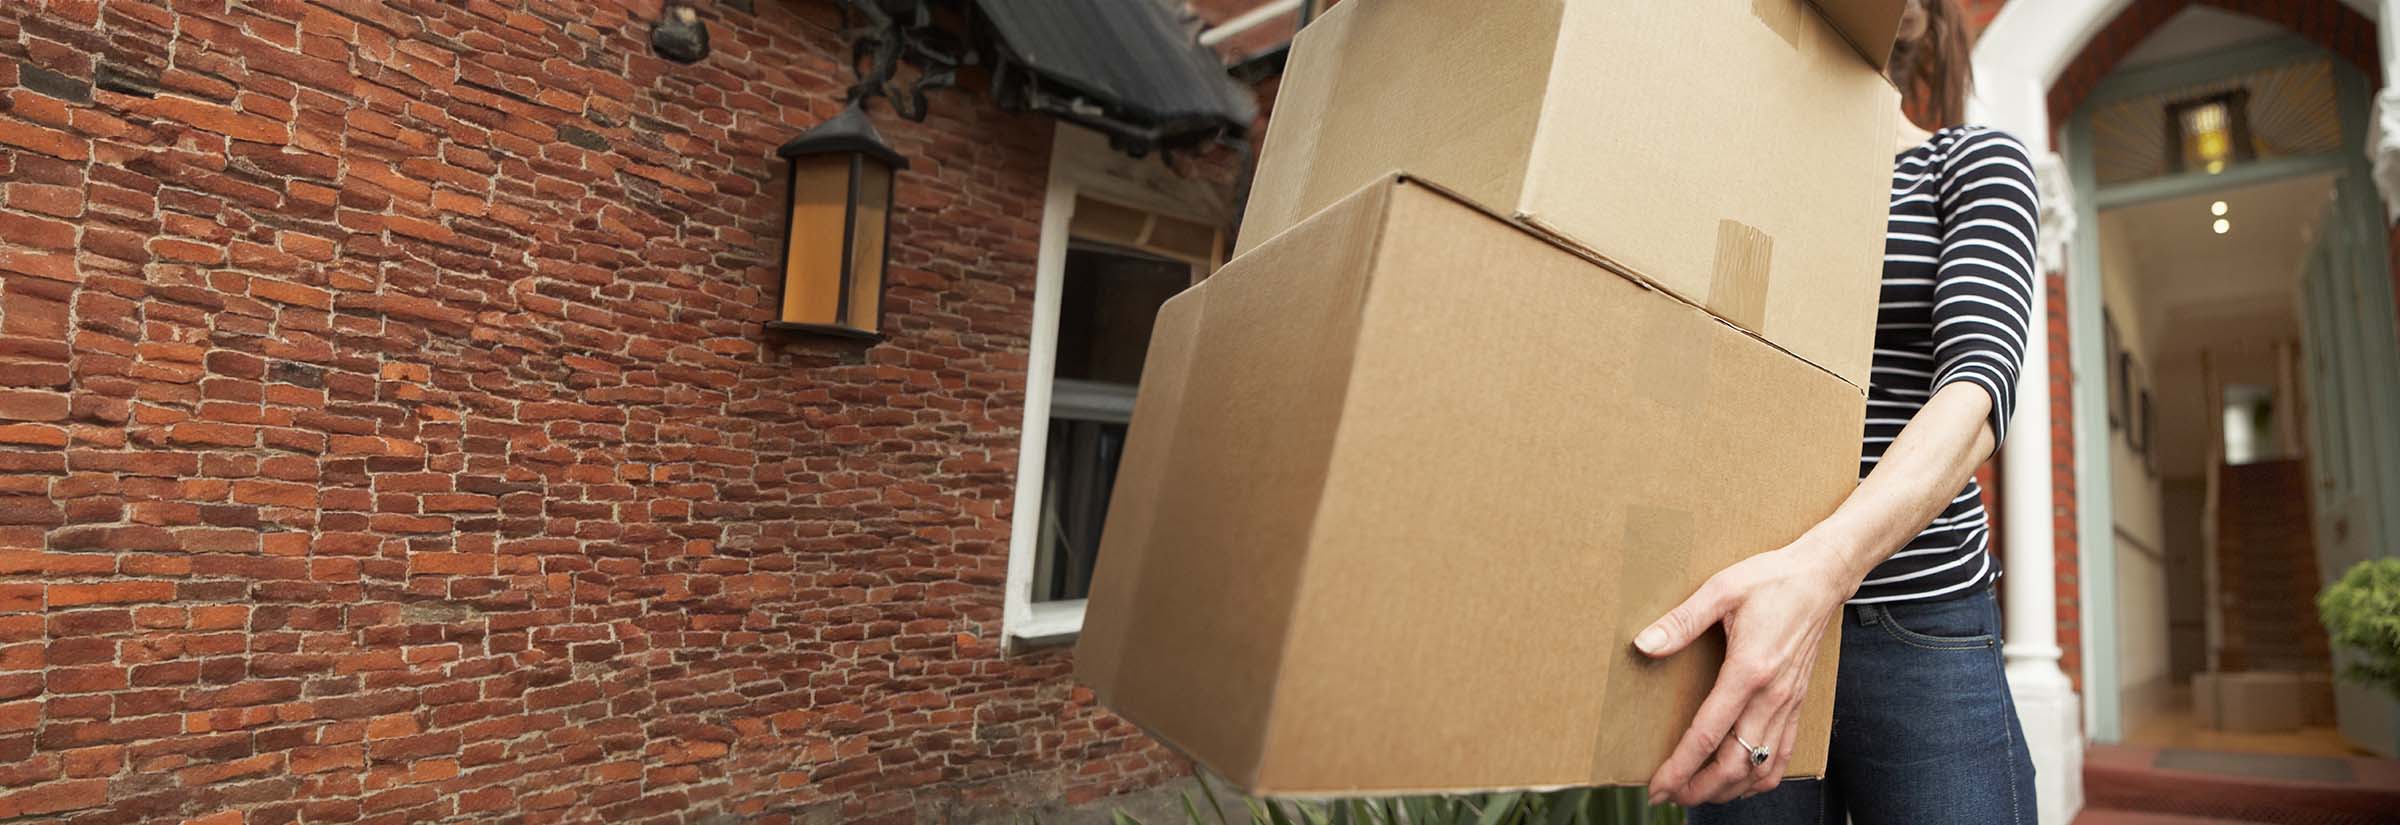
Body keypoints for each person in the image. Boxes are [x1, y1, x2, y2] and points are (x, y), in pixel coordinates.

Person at [1634, 0, 2042, 821]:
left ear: (1915, 17)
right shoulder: (1736, 183)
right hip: (1742, 622)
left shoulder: (1970, 164)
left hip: (1920, 626)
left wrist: (1818, 576)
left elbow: (1975, 390)